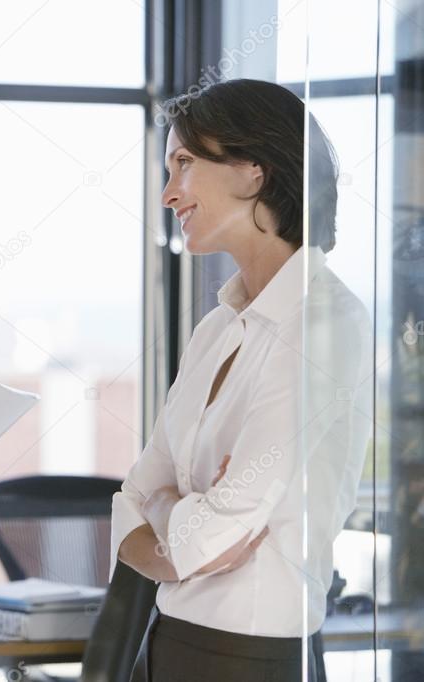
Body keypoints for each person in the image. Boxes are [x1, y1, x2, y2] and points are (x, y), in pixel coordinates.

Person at [111, 79, 372, 681]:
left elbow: (220, 523)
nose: (167, 193)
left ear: (253, 172)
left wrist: (169, 512)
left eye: (183, 163)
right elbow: (133, 494)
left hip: (249, 657)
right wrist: (178, 527)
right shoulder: (217, 328)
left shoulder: (325, 322)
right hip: (167, 642)